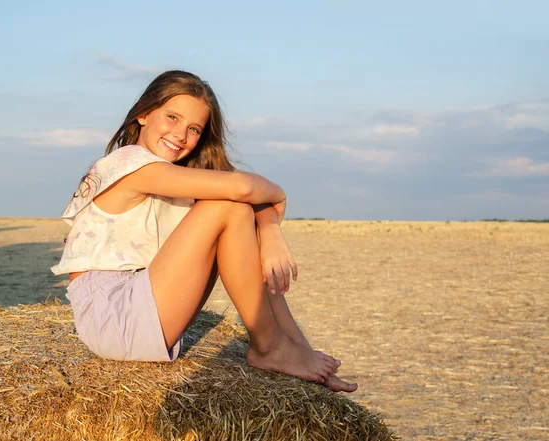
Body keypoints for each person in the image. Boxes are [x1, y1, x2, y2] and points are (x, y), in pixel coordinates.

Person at [52, 70, 357, 393]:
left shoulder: (177, 176)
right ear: (143, 113)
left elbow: (249, 199)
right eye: (172, 117)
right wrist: (279, 194)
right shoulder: (127, 164)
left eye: (193, 128)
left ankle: (288, 349)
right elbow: (243, 187)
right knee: (229, 205)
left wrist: (268, 231)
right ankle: (269, 347)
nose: (181, 135)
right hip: (112, 314)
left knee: (236, 211)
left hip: (145, 300)